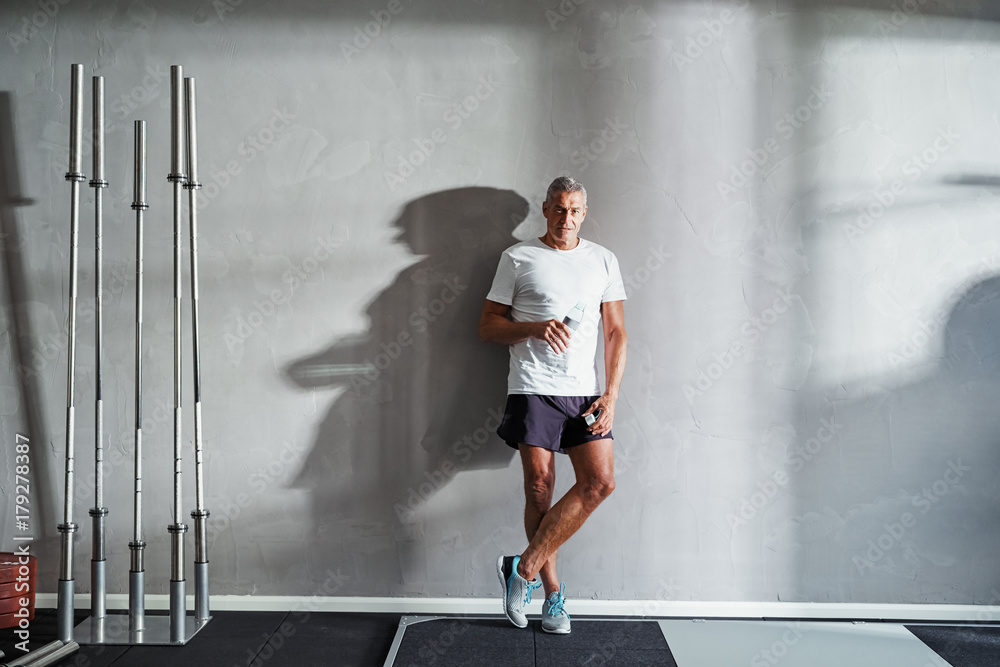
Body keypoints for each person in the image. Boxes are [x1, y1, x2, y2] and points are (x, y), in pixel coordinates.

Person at [479, 176, 627, 634]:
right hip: (532, 386)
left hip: (585, 392)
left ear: (585, 212)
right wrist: (534, 327)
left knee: (599, 483)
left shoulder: (603, 259)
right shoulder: (518, 258)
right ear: (545, 210)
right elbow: (487, 326)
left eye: (576, 211)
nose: (567, 219)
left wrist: (612, 393)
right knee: (540, 488)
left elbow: (616, 332)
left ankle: (520, 570)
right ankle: (554, 596)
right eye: (559, 209)